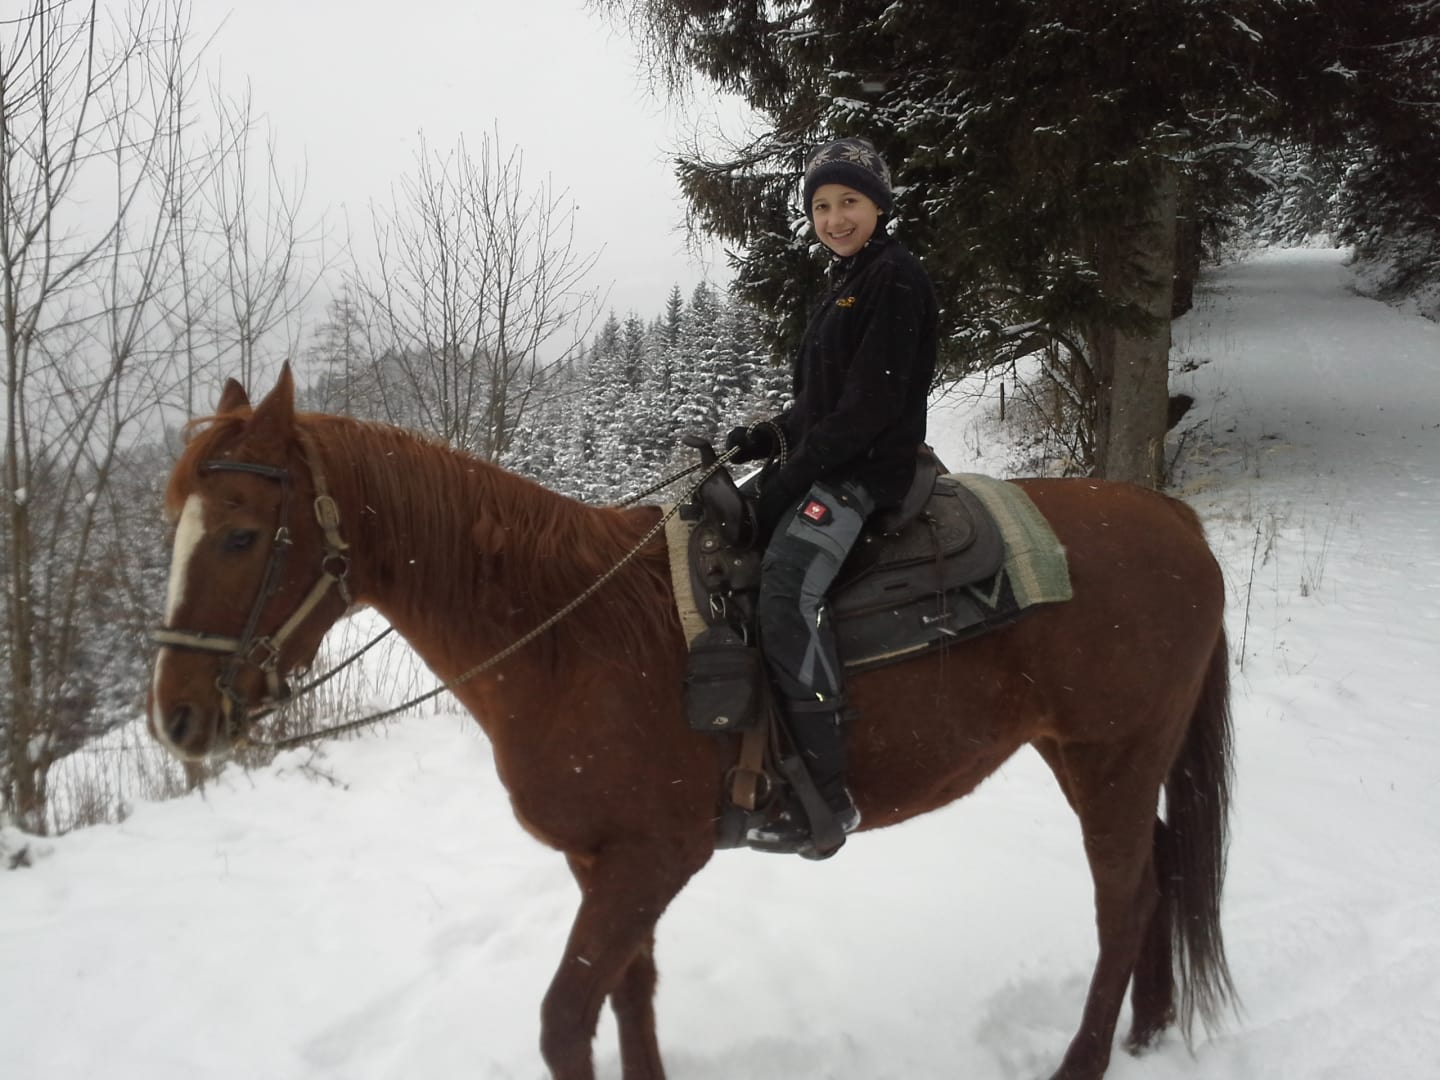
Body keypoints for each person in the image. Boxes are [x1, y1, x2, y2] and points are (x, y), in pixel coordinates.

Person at [724, 137, 939, 852]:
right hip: (833, 459)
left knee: (787, 589)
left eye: (849, 201)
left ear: (878, 205)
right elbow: (823, 404)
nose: (834, 217)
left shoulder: (895, 278)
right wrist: (767, 437)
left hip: (866, 473)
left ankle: (824, 791)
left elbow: (867, 410)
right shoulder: (849, 278)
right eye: (820, 205)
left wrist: (788, 479)